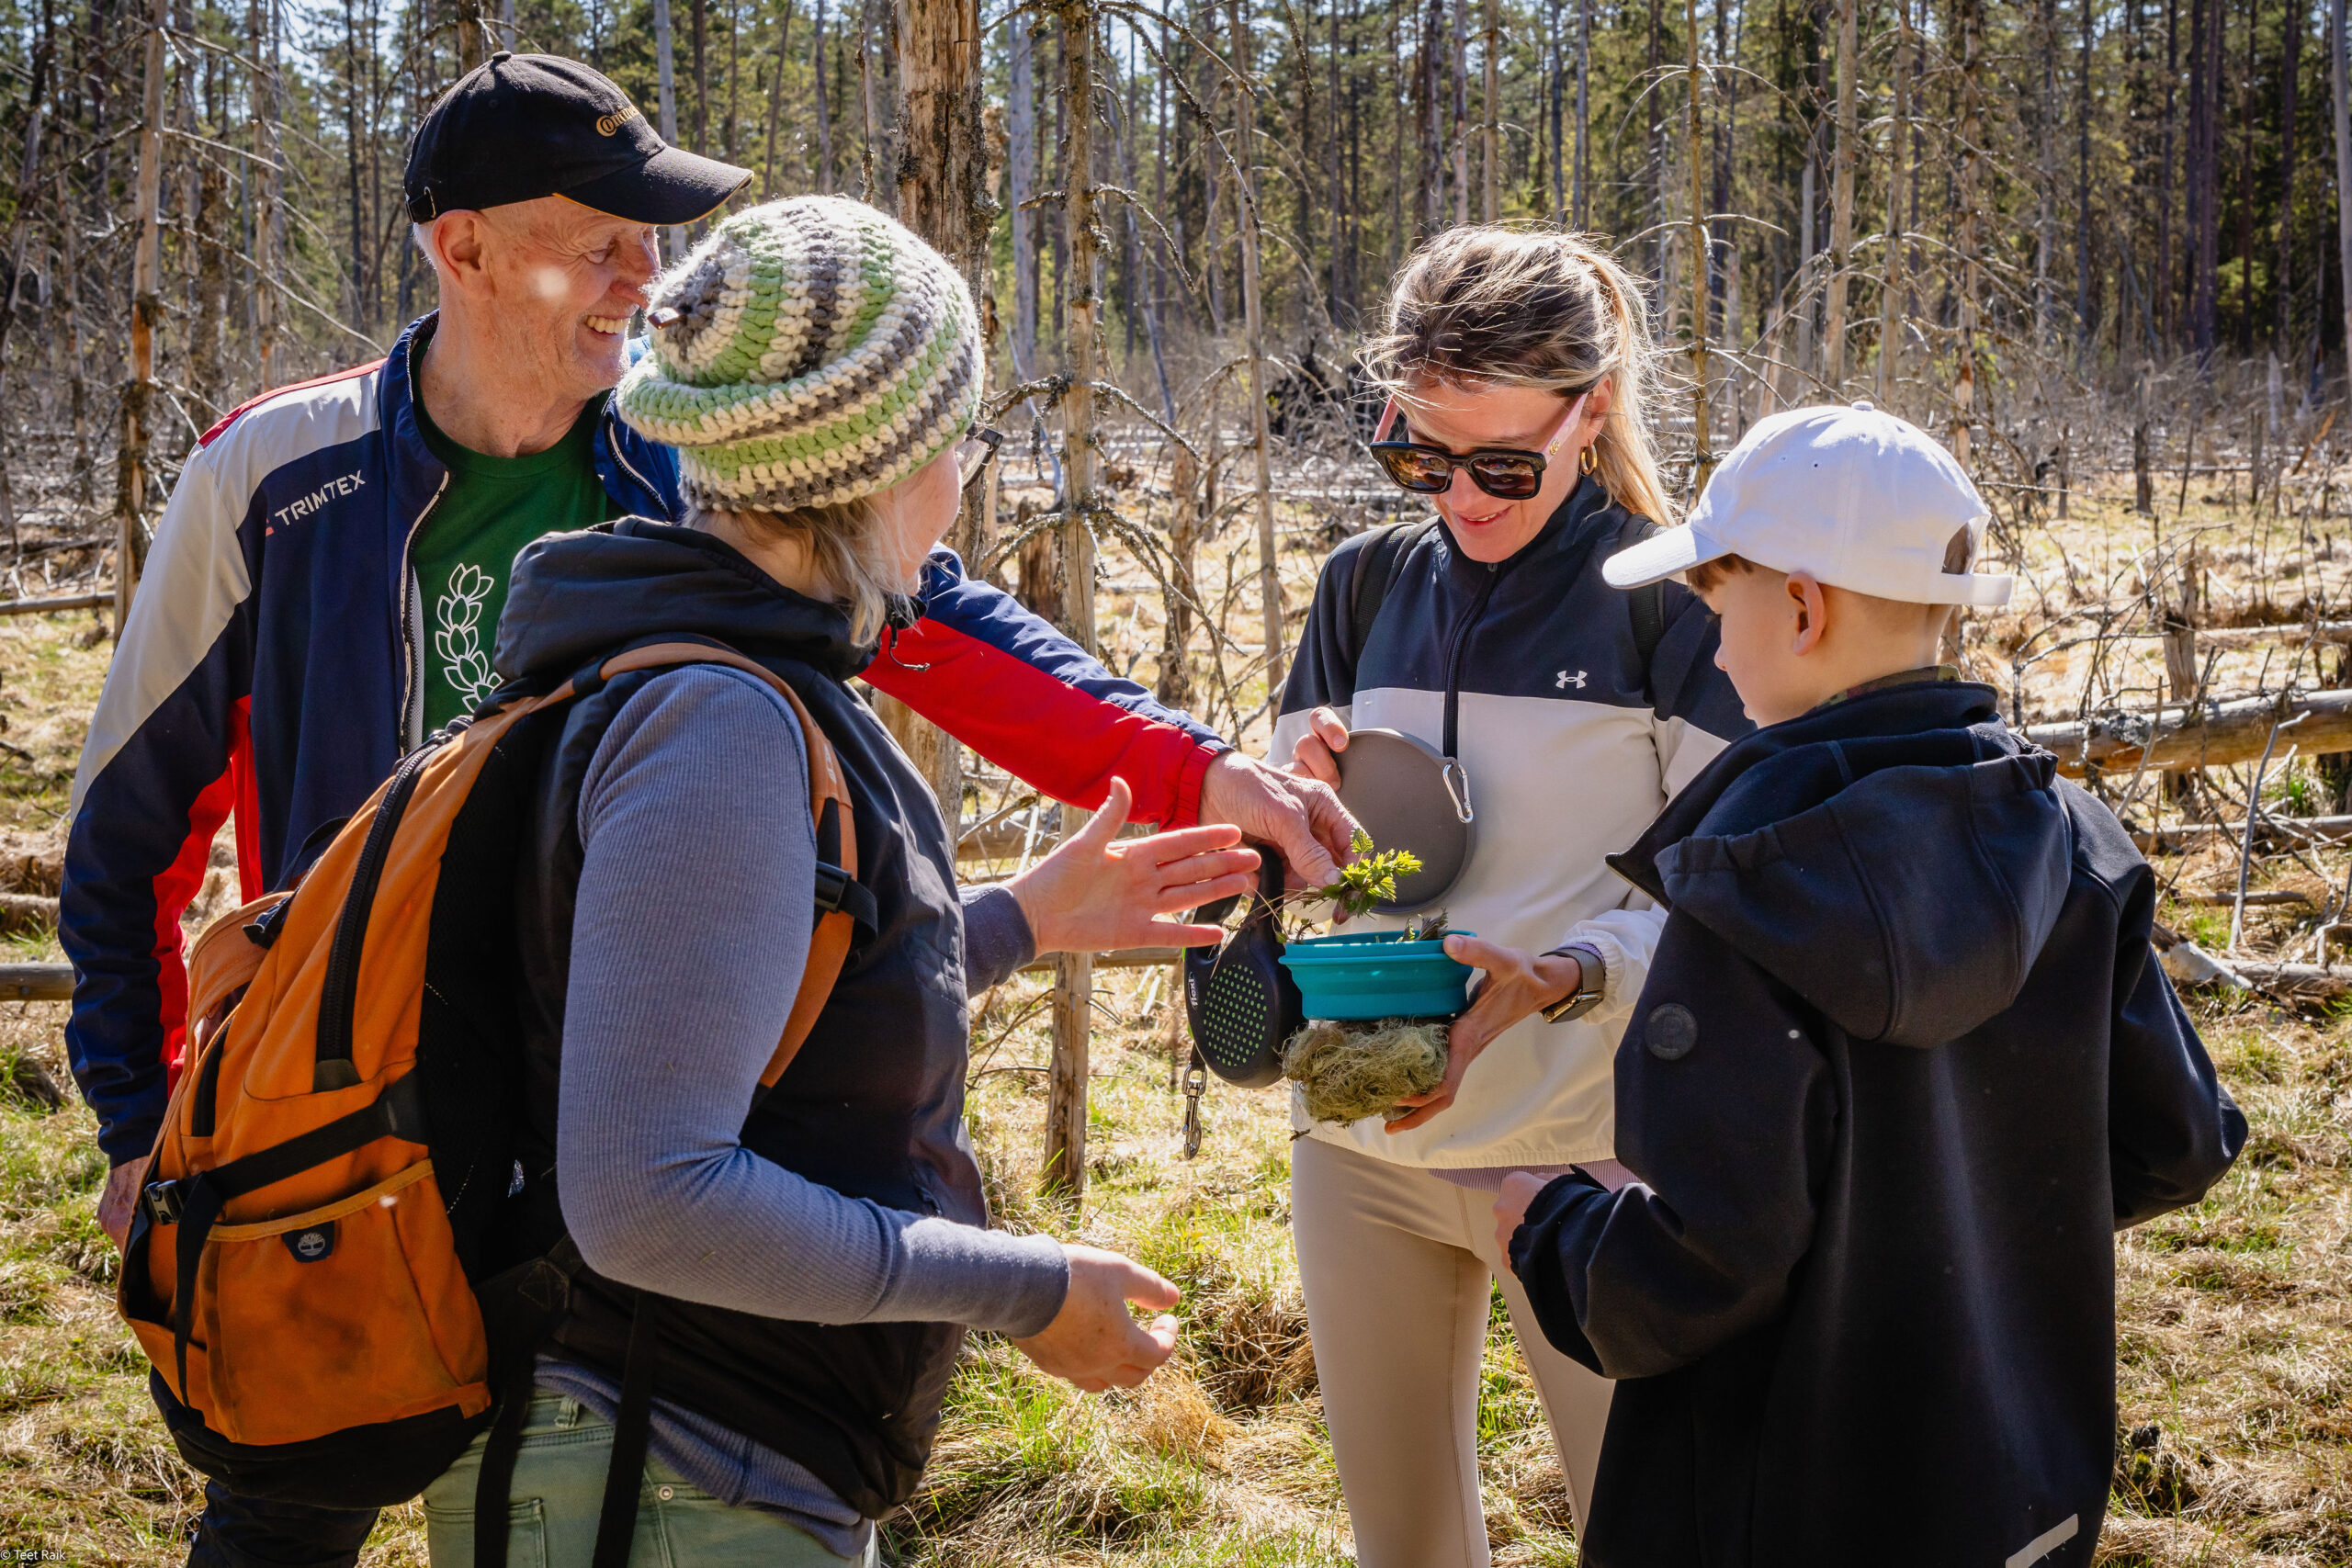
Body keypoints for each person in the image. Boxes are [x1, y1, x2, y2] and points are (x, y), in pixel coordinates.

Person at [61, 52, 1348, 1568]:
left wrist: (1195, 770)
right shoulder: (281, 476)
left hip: (587, 1195)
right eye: (599, 237)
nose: (644, 275)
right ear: (461, 246)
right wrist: (142, 1118)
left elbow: (934, 617)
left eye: (653, 236)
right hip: (341, 1130)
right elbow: (128, 826)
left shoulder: (693, 463)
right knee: (285, 1516)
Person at [416, 193, 1222, 1568]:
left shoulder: (706, 672)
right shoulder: (718, 720)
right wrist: (1028, 1288)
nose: (960, 484)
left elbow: (743, 1000)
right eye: (956, 440)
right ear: (880, 463)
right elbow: (649, 1194)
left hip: (686, 1465)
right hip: (658, 1480)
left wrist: (1017, 921)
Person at [1495, 402, 2248, 1568]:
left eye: (1716, 608)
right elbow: (2179, 1143)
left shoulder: (1751, 884)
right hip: (2013, 1492)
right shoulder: (2076, 846)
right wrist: (1981, 1212)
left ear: (1801, 608)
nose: (1713, 647)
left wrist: (1552, 1231)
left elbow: (1708, 1261)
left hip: (1767, 1506)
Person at [1271, 225, 1748, 1561]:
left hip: (1593, 1152)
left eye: (1502, 465)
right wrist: (1295, 812)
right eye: (1422, 458)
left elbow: (1723, 897)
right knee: (1405, 1545)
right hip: (1361, 1138)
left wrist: (1573, 975)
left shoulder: (1677, 604)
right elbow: (1306, 850)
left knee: (1647, 1535)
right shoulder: (1363, 584)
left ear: (1591, 410)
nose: (1461, 499)